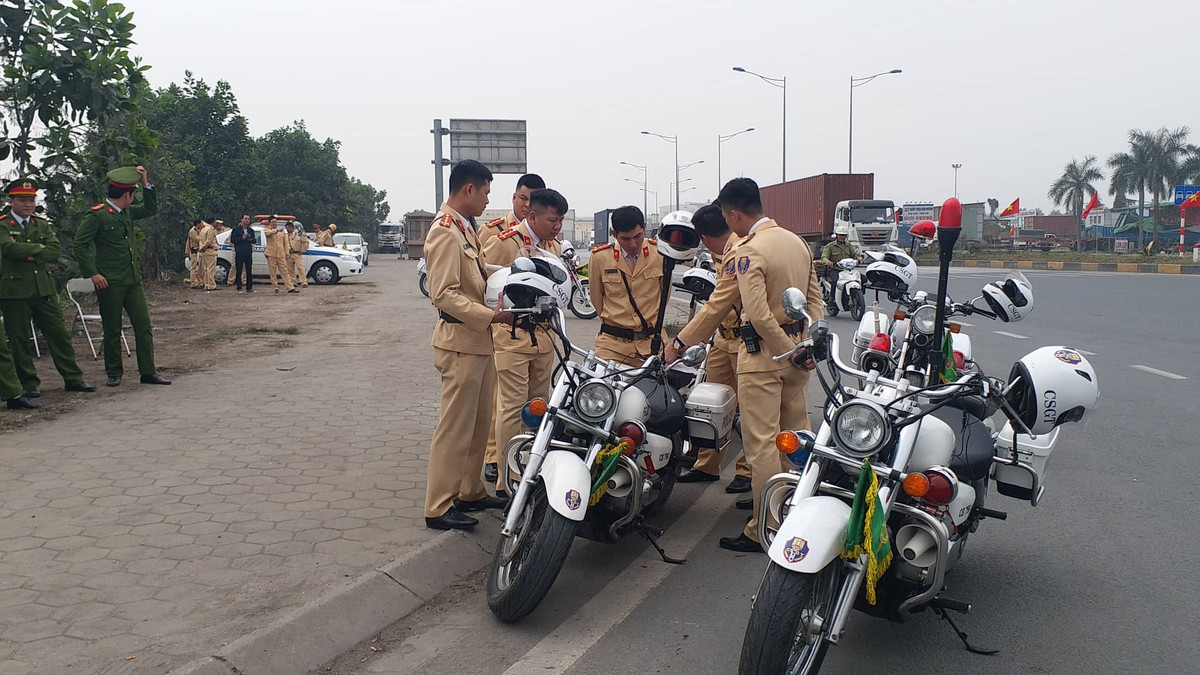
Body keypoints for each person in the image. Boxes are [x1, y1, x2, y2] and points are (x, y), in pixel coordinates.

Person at [666, 178, 823, 553]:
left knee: (763, 447)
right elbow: (815, 300)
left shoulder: (747, 252)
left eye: (726, 216)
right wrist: (805, 346)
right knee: (796, 440)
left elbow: (745, 311)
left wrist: (679, 343)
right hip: (799, 357)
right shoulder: (795, 242)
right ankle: (794, 514)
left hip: (763, 357)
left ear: (734, 213)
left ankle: (764, 527)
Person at [424, 159, 513, 531]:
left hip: (478, 343)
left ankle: (470, 490)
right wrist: (489, 316)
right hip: (460, 342)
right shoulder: (445, 231)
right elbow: (442, 294)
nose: (487, 199)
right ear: (469, 189)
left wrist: (515, 274)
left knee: (479, 426)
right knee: (455, 428)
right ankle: (438, 506)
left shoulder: (465, 228)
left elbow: (475, 275)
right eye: (487, 192)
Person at [480, 187, 565, 494]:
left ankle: (528, 470)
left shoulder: (551, 247)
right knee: (511, 410)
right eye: (553, 220)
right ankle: (506, 481)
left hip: (544, 340)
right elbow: (485, 285)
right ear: (533, 216)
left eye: (561, 221)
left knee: (536, 409)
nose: (557, 227)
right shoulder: (504, 243)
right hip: (512, 338)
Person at [674, 203, 751, 495]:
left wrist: (680, 343)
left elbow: (717, 305)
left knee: (749, 411)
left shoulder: (738, 251)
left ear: (704, 236)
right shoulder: (718, 253)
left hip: (746, 341)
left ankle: (746, 471)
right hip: (722, 340)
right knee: (709, 406)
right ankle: (707, 464)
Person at [72, 165, 171, 387]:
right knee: (112, 328)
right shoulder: (97, 215)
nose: (133, 198)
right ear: (126, 195)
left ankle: (148, 372)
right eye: (133, 193)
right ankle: (114, 372)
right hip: (109, 281)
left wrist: (147, 185)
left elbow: (150, 209)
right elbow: (79, 245)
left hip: (132, 280)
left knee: (143, 325)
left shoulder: (126, 211)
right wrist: (93, 274)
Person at [0, 178, 95, 398]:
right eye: (23, 200)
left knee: (59, 335)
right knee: (20, 339)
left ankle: (73, 378)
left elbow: (54, 251)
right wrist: (36, 249)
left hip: (43, 289)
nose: (28, 204)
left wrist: (27, 251)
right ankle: (29, 383)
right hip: (15, 291)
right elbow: (7, 250)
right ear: (10, 200)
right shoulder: (3, 224)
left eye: (31, 200)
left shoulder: (40, 224)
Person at [588, 206, 665, 366]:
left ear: (644, 227)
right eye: (625, 239)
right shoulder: (600, 258)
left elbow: (665, 294)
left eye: (638, 236)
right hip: (612, 346)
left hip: (653, 344)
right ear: (614, 234)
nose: (633, 243)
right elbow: (597, 300)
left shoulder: (660, 254)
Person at [480, 173, 545, 250]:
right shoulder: (491, 231)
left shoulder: (547, 237)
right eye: (523, 198)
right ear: (514, 198)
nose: (527, 204)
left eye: (533, 201)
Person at [818, 224, 860, 290]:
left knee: (862, 278)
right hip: (834, 269)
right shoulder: (830, 246)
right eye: (840, 235)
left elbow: (854, 255)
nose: (842, 237)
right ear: (837, 235)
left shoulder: (849, 246)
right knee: (836, 280)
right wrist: (828, 262)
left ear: (846, 236)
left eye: (844, 235)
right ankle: (833, 298)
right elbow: (824, 258)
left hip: (847, 270)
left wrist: (859, 258)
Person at [263, 217, 297, 293]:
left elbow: (285, 243)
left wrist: (287, 253)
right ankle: (276, 287)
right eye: (273, 222)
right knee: (273, 272)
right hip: (271, 254)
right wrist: (275, 231)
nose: (275, 223)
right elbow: (268, 234)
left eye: (275, 222)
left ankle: (290, 287)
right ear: (270, 223)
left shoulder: (282, 232)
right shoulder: (267, 230)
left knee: (285, 271)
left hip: (281, 254)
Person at [230, 215, 255, 292]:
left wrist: (250, 239)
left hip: (248, 252)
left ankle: (249, 287)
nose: (247, 220)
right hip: (239, 251)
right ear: (242, 220)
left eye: (248, 219)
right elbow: (233, 240)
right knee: (239, 269)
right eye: (245, 219)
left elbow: (254, 240)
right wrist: (241, 238)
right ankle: (239, 286)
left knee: (249, 270)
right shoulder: (236, 230)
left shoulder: (251, 230)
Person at [199, 217, 219, 291]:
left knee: (206, 269)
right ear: (213, 222)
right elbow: (209, 241)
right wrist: (203, 248)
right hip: (210, 251)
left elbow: (201, 240)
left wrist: (201, 249)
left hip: (204, 252)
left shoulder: (203, 229)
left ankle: (207, 284)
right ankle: (211, 285)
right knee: (211, 269)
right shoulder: (210, 229)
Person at [287, 221, 309, 287]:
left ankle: (303, 282)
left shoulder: (300, 234)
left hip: (297, 254)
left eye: (288, 228)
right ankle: (293, 282)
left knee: (300, 268)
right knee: (290, 269)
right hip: (289, 254)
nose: (287, 230)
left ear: (292, 227)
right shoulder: (286, 235)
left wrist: (302, 250)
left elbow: (306, 243)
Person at [186, 219, 204, 289]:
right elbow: (198, 239)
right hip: (194, 251)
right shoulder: (192, 231)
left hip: (198, 251)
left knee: (199, 267)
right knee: (193, 268)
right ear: (198, 224)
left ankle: (199, 281)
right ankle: (193, 283)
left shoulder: (197, 230)